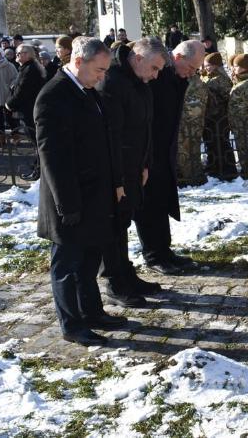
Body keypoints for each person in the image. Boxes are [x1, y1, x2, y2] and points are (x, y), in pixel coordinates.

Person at [35, 36, 127, 347]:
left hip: (94, 197)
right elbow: (54, 157)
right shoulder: (54, 95)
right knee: (66, 266)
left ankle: (93, 312)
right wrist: (67, 204)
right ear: (78, 62)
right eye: (99, 70)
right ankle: (72, 325)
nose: (103, 76)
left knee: (89, 261)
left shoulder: (87, 91)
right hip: (69, 201)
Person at [97, 37, 167, 307]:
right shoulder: (112, 80)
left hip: (136, 166)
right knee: (113, 224)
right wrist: (119, 176)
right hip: (118, 168)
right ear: (138, 58)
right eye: (154, 68)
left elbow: (145, 128)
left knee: (124, 221)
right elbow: (113, 134)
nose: (156, 75)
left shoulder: (138, 80)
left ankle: (126, 274)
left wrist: (145, 164)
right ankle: (115, 281)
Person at [134, 40, 204, 275]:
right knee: (148, 204)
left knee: (161, 202)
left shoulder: (176, 77)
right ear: (178, 57)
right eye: (192, 68)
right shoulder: (158, 76)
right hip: (148, 151)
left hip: (164, 151)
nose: (192, 74)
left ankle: (164, 250)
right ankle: (153, 255)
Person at [8, 44, 46, 181]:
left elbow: (22, 91)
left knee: (37, 143)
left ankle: (39, 172)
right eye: (17, 53)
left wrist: (9, 103)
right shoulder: (28, 67)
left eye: (20, 53)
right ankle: (37, 167)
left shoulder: (30, 69)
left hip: (29, 111)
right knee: (36, 142)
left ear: (28, 54)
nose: (17, 55)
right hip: (28, 110)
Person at [202, 52, 237, 178]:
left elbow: (229, 97)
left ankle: (228, 168)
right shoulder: (207, 78)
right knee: (210, 142)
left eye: (209, 65)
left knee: (221, 142)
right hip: (209, 116)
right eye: (205, 65)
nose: (206, 67)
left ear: (216, 65)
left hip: (220, 117)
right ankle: (213, 165)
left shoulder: (222, 80)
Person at [176, 72, 209, 186]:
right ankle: (188, 178)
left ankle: (193, 179)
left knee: (188, 150)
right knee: (187, 151)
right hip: (189, 122)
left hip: (190, 123)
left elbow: (194, 107)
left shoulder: (195, 83)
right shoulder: (189, 81)